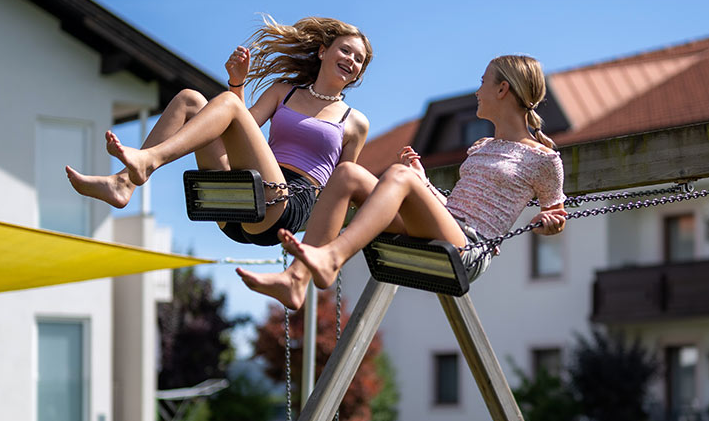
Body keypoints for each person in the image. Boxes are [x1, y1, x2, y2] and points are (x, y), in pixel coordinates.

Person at [237, 54, 568, 309]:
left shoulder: (544, 159)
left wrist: (550, 223)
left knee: (399, 175)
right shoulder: (481, 147)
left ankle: (332, 257)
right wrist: (423, 184)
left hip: (471, 249)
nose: (478, 91)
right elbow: (455, 208)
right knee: (347, 174)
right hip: (447, 226)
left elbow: (558, 214)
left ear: (502, 89)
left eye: (483, 82)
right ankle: (296, 279)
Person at [65, 16, 372, 246]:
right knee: (190, 99)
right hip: (237, 205)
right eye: (346, 51)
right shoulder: (284, 92)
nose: (351, 61)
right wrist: (237, 82)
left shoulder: (354, 121)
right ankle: (123, 185)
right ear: (322, 52)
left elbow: (342, 185)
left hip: (283, 206)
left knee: (227, 102)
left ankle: (148, 160)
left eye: (359, 60)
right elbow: (235, 128)